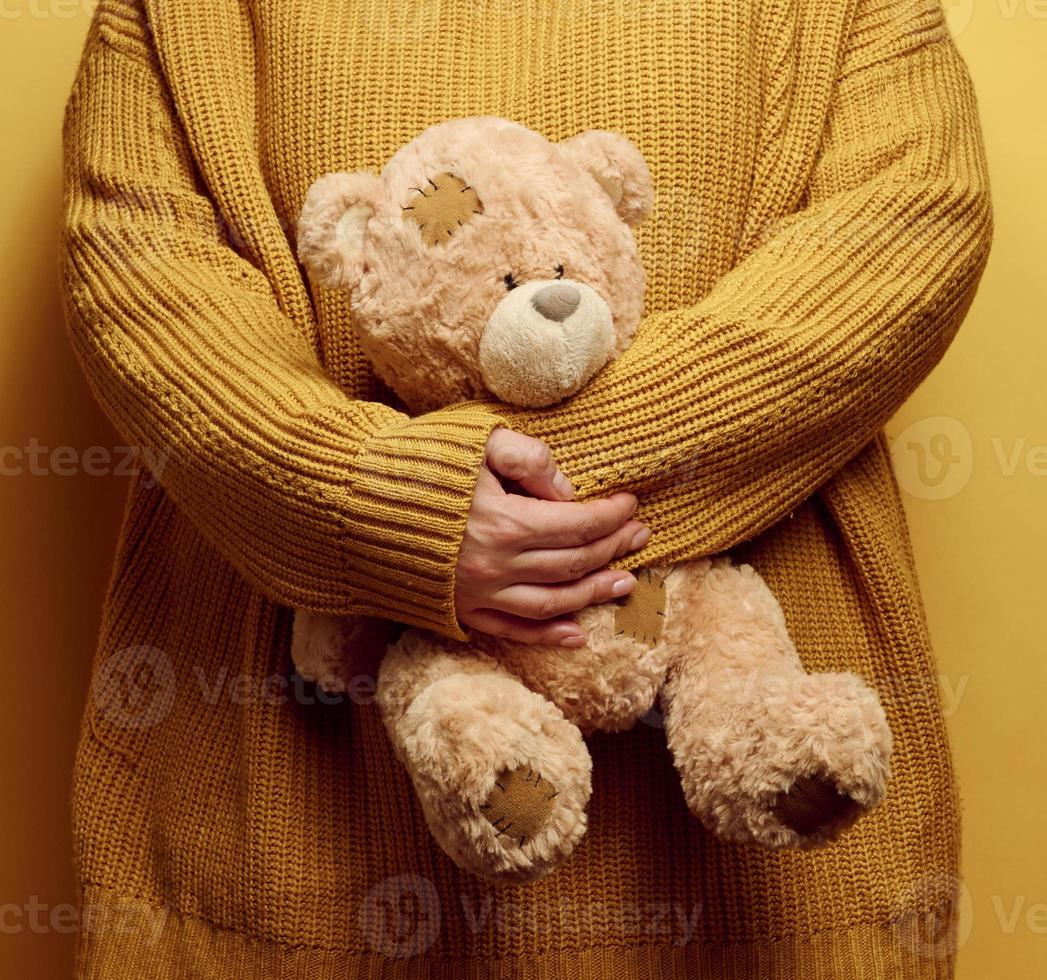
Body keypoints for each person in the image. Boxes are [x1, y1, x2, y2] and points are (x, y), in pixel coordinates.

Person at [60, 0, 991, 976]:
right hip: (291, 813)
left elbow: (909, 225)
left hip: (757, 878)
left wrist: (507, 487)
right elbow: (136, 261)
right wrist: (386, 500)